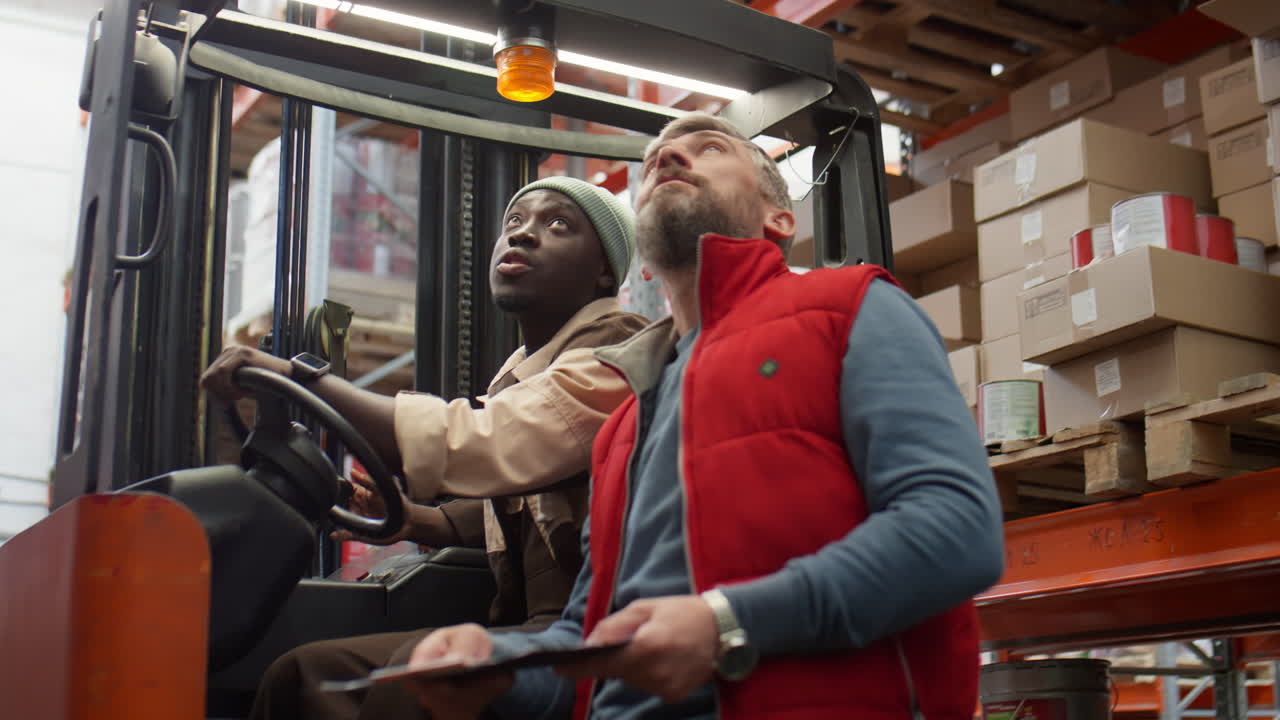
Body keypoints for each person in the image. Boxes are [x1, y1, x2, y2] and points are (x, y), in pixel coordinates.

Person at [403, 112, 1006, 720]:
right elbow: (592, 651)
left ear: (780, 219)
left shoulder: (852, 309)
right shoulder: (622, 433)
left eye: (709, 148)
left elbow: (958, 529)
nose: (665, 157)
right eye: (652, 161)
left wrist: (726, 622)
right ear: (641, 260)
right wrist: (497, 670)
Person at [200, 176, 649, 720]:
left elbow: (491, 444)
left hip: (592, 628)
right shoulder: (523, 371)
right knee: (302, 675)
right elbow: (507, 501)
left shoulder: (619, 345)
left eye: (557, 225)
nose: (524, 236)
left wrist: (299, 379)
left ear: (606, 270)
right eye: (515, 222)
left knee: (415, 682)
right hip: (525, 623)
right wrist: (414, 521)